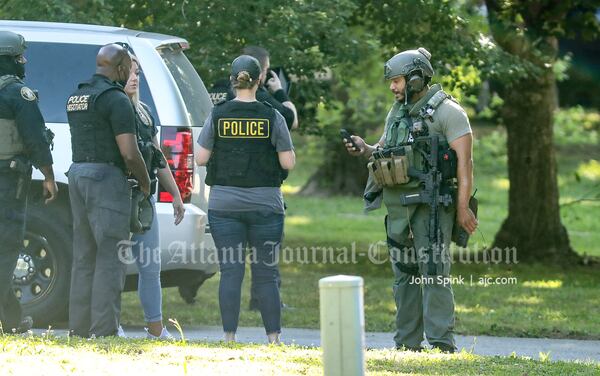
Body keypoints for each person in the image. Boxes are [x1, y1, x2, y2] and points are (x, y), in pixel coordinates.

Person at [344, 47, 478, 353]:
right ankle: (407, 343)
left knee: (433, 271)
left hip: (432, 205)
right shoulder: (398, 111)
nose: (392, 86)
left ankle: (442, 343)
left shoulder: (449, 113)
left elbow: (465, 164)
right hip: (398, 207)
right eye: (391, 81)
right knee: (404, 273)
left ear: (416, 78)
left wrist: (462, 207)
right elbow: (385, 147)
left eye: (398, 80)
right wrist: (364, 148)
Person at [196, 55, 295, 344]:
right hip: (266, 206)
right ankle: (274, 338)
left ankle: (229, 337)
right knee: (265, 274)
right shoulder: (272, 115)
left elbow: (201, 157)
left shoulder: (218, 113)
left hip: (224, 206)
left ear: (232, 80)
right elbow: (287, 162)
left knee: (231, 272)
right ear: (259, 79)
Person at [66, 43, 150, 338]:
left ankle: (77, 328)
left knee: (84, 255)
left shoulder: (77, 95)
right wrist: (144, 180)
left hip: (77, 176)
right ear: (121, 67)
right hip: (106, 178)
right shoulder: (115, 99)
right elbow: (128, 151)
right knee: (111, 255)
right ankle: (104, 330)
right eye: (128, 67)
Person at [123, 52, 185, 340]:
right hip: (118, 196)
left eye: (138, 72)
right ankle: (110, 323)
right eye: (130, 71)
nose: (135, 77)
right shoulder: (112, 107)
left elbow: (157, 155)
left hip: (144, 199)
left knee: (150, 265)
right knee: (111, 264)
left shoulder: (144, 110)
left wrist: (174, 193)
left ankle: (156, 328)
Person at [0, 31, 58, 333]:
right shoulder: (17, 94)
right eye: (20, 56)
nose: (24, 62)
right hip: (8, 183)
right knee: (6, 248)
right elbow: (36, 141)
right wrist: (49, 176)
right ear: (9, 59)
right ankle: (10, 320)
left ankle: (11, 319)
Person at [209, 46, 298, 131]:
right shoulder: (259, 97)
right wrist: (279, 91)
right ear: (260, 72)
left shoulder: (217, 89)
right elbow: (293, 122)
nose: (266, 74)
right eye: (266, 69)